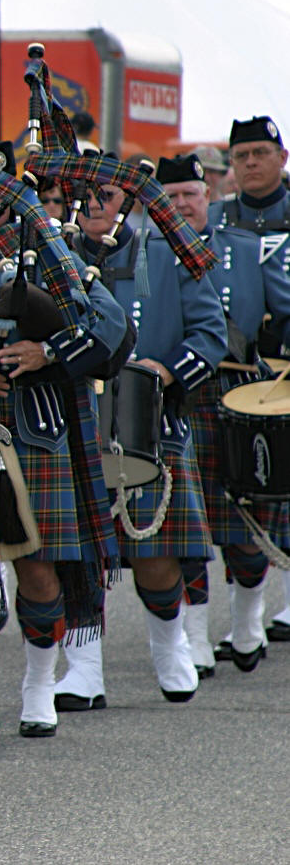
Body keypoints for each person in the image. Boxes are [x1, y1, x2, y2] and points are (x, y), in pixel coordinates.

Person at [0, 148, 126, 740]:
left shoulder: (53, 249)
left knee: (38, 569)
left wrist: (48, 353)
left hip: (33, 429)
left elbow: (111, 327)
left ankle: (39, 687)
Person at [47, 177, 225, 708]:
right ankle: (83, 669)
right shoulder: (50, 256)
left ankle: (171, 647)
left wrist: (163, 372)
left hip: (150, 419)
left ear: (127, 198)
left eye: (106, 194)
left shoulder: (169, 252)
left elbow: (209, 335)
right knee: (75, 553)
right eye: (82, 195)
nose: (93, 205)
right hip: (71, 421)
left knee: (155, 552)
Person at [157, 155, 290, 674]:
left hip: (240, 392)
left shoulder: (246, 248)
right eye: (169, 197)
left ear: (208, 196)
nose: (181, 205)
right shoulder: (145, 255)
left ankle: (247, 619)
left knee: (245, 520)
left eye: (189, 194)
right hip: (174, 396)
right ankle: (194, 637)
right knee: (183, 526)